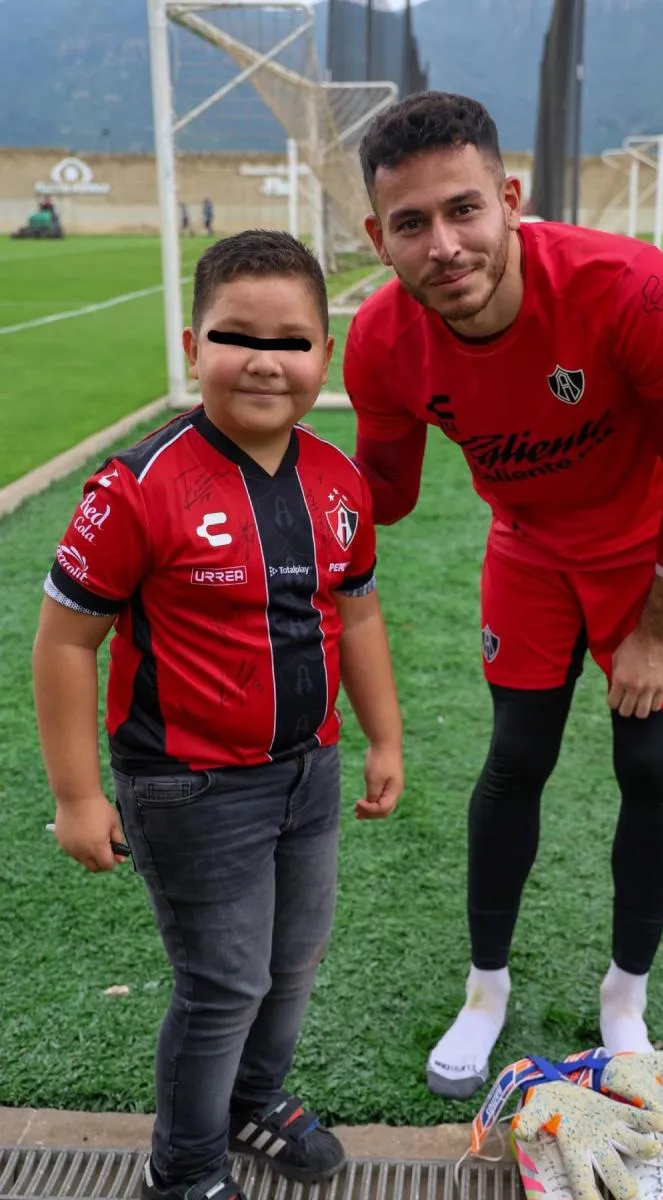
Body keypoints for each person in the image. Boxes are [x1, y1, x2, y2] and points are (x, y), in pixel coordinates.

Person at [343, 92, 663, 1100]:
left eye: (463, 209)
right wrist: (266, 440)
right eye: (412, 224)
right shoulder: (382, 339)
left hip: (650, 548)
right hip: (527, 549)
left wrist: (657, 627)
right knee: (516, 754)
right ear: (375, 237)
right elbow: (382, 494)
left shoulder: (631, 290)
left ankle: (623, 995)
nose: (445, 245)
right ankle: (483, 990)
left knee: (648, 761)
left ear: (508, 199)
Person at [33, 230, 404, 1199]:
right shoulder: (137, 487)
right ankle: (184, 1168)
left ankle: (252, 1102)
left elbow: (356, 615)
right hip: (189, 787)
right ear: (192, 344)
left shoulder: (336, 480)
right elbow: (67, 643)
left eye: (291, 341)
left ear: (325, 351)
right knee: (223, 984)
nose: (264, 362)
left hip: (307, 774)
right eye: (237, 336)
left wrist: (384, 736)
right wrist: (77, 798)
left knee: (291, 965)